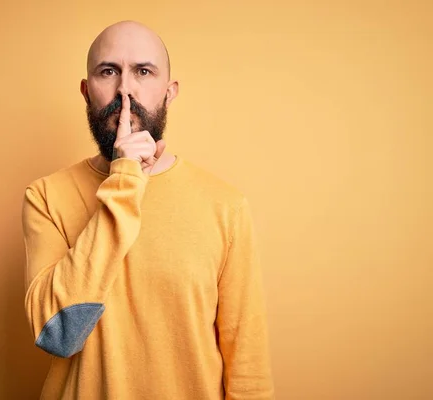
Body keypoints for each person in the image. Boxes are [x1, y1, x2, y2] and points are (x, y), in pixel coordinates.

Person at [22, 20, 274, 399]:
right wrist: (124, 181)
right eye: (109, 71)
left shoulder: (226, 207)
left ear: (169, 92)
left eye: (143, 71)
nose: (125, 88)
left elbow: (248, 367)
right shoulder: (45, 197)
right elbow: (58, 334)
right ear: (86, 91)